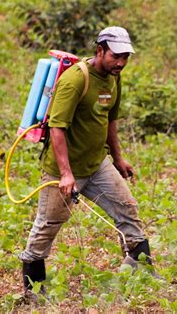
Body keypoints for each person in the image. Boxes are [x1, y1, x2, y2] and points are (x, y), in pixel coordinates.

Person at [18, 26, 153, 299]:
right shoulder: (75, 80)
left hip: (97, 164)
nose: (121, 63)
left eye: (126, 57)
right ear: (100, 50)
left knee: (127, 210)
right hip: (64, 170)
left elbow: (110, 120)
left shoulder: (114, 78)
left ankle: (140, 271)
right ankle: (32, 290)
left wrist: (118, 158)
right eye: (116, 56)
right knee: (48, 225)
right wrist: (67, 174)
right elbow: (57, 127)